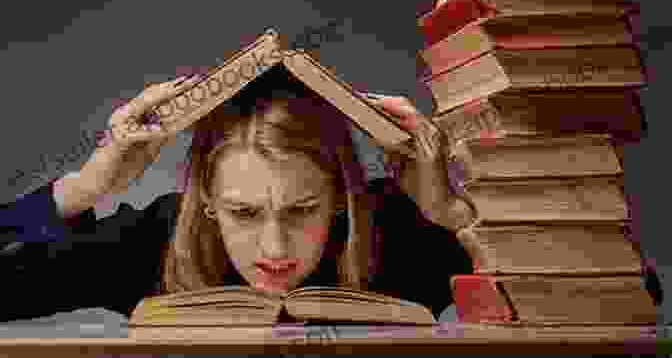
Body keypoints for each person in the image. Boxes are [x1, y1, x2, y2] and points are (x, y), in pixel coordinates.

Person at [0, 65, 479, 323]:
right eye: (244, 213)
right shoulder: (151, 243)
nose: (275, 247)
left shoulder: (397, 228)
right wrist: (82, 190)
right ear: (206, 197)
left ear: (340, 194)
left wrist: (451, 213)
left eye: (303, 210)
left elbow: (552, 302)